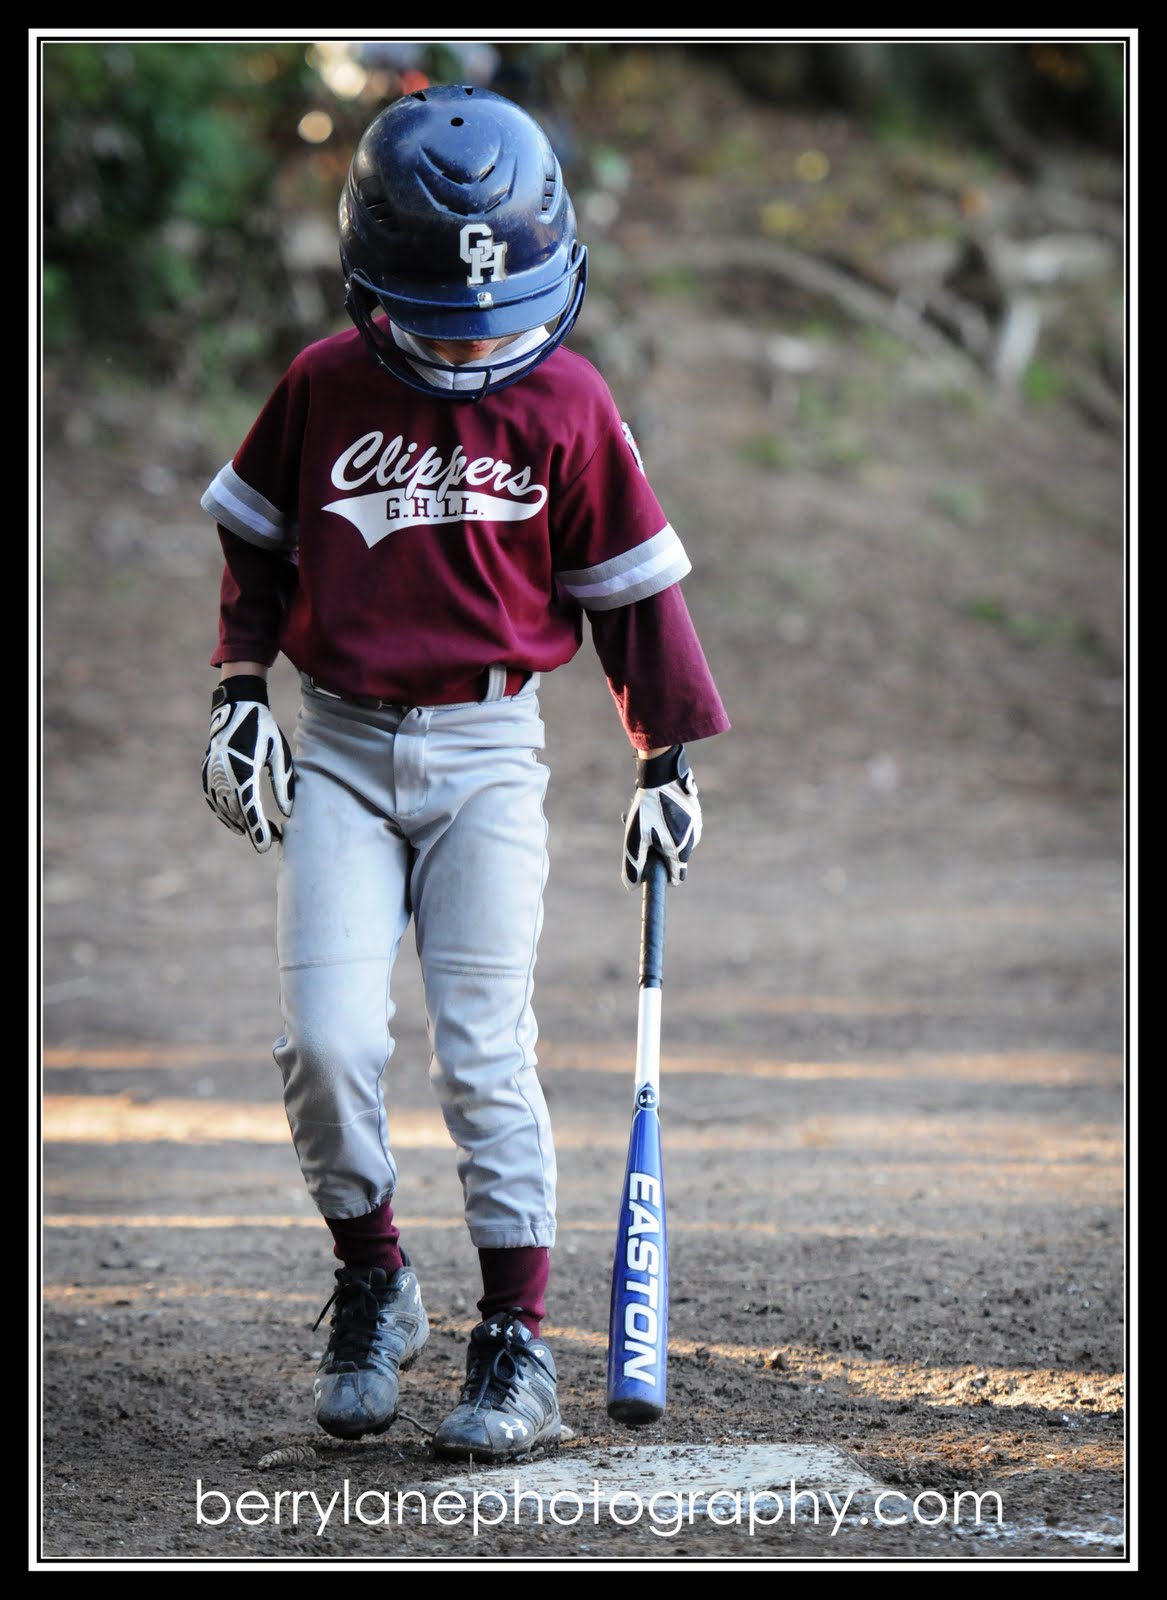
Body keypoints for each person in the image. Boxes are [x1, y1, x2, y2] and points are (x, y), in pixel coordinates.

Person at [198, 82, 730, 1462]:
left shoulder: (565, 399)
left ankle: (514, 1341)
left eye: (503, 309)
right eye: (447, 316)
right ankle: (375, 1278)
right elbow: (254, 547)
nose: (479, 339)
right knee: (325, 1044)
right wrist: (237, 684)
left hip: (493, 752)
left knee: (487, 1053)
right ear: (371, 273)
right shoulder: (325, 387)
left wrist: (660, 759)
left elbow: (631, 596)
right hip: (347, 749)